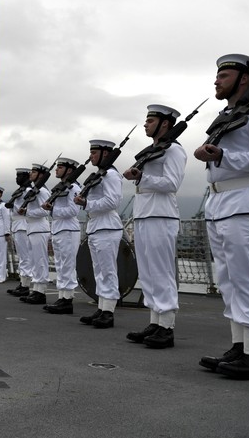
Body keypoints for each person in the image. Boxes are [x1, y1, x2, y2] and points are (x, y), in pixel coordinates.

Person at [194, 53, 249, 379]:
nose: (216, 81)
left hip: (246, 201)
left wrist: (223, 154)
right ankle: (239, 345)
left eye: (224, 75)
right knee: (228, 280)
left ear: (244, 79)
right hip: (220, 203)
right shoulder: (229, 114)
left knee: (245, 277)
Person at [123, 105, 187, 347]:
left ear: (165, 124)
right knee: (148, 273)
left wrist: (141, 177)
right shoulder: (154, 151)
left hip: (161, 216)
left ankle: (167, 325)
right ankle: (155, 320)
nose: (145, 124)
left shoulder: (174, 151)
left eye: (150, 120)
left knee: (161, 271)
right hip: (144, 215)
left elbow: (172, 183)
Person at [75, 140, 123, 329]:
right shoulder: (99, 175)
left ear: (105, 154)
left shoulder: (111, 175)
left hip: (107, 226)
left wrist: (86, 203)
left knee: (108, 270)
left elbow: (112, 202)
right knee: (99, 271)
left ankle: (109, 311)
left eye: (94, 153)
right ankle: (102, 307)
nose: (91, 156)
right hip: (96, 226)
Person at [43, 158, 82, 315]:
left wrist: (52, 210)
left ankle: (68, 299)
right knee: (60, 265)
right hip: (59, 229)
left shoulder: (74, 188)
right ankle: (62, 296)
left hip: (68, 229)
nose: (56, 170)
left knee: (67, 265)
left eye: (60, 167)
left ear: (70, 170)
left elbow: (73, 210)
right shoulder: (61, 187)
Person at [19, 164, 51, 305]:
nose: (30, 174)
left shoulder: (43, 191)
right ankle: (36, 289)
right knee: (34, 261)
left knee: (40, 261)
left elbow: (45, 211)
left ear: (40, 175)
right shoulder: (34, 190)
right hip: (32, 227)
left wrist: (27, 212)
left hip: (40, 227)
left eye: (34, 172)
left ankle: (41, 291)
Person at [6, 168, 33, 297]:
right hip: (17, 225)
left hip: (23, 224)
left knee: (25, 257)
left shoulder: (28, 191)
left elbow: (25, 208)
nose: (17, 178)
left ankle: (26, 284)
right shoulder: (21, 191)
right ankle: (23, 282)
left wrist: (14, 207)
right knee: (22, 257)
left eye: (20, 176)